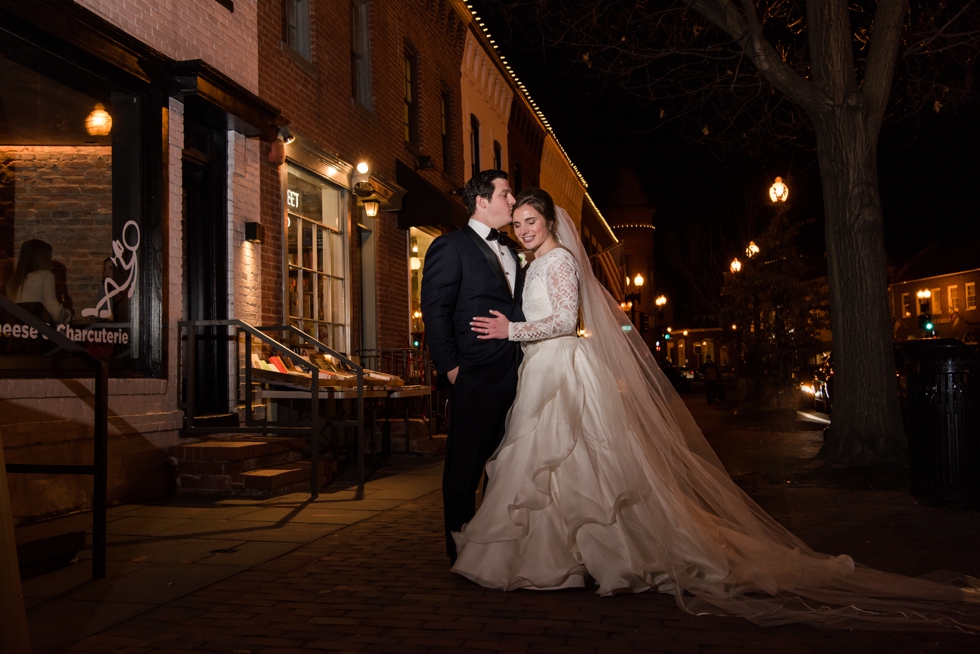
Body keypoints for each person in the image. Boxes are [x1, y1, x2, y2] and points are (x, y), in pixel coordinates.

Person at [453, 188, 980, 632]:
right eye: (518, 222)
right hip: (540, 370)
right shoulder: (536, 262)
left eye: (531, 220)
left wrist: (511, 329)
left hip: (562, 368)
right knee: (549, 464)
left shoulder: (561, 261)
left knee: (578, 459)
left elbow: (566, 321)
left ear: (549, 222)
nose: (523, 228)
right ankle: (555, 555)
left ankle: (593, 552)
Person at [420, 169, 525, 565]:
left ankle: (495, 549)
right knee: (464, 470)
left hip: (518, 376)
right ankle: (460, 551)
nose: (512, 202)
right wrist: (452, 371)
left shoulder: (513, 251)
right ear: (482, 201)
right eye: (506, 194)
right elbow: (436, 312)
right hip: (475, 378)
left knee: (505, 468)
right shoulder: (450, 246)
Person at [4, 239, 72, 324]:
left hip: (20, 333)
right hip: (40, 333)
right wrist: (69, 314)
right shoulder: (45, 276)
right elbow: (56, 314)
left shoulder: (13, 281)